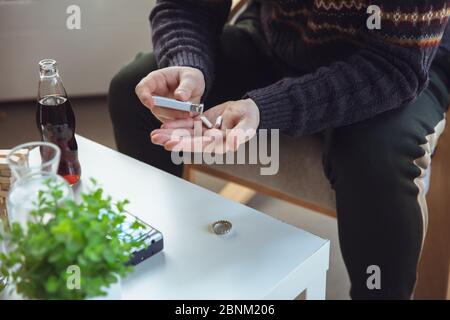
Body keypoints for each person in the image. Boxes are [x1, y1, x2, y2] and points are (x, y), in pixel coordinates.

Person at [108, 0, 450, 299]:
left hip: (401, 57)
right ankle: (157, 266)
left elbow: (394, 68)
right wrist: (188, 64)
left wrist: (266, 109)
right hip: (280, 36)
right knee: (131, 92)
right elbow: (189, 6)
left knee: (374, 160)